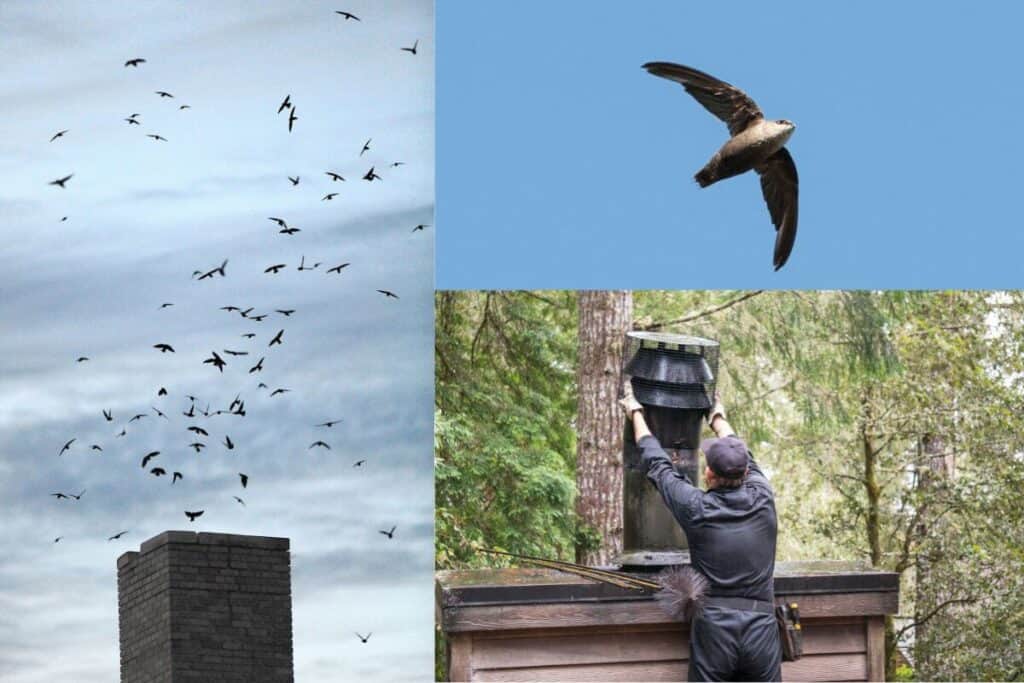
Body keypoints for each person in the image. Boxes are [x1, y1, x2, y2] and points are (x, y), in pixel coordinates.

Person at [619, 384, 781, 682]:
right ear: (746, 473)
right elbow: (739, 447)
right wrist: (717, 415)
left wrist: (635, 411)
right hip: (762, 628)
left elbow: (657, 462)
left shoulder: (696, 507)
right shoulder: (763, 496)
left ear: (708, 475)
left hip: (715, 629)